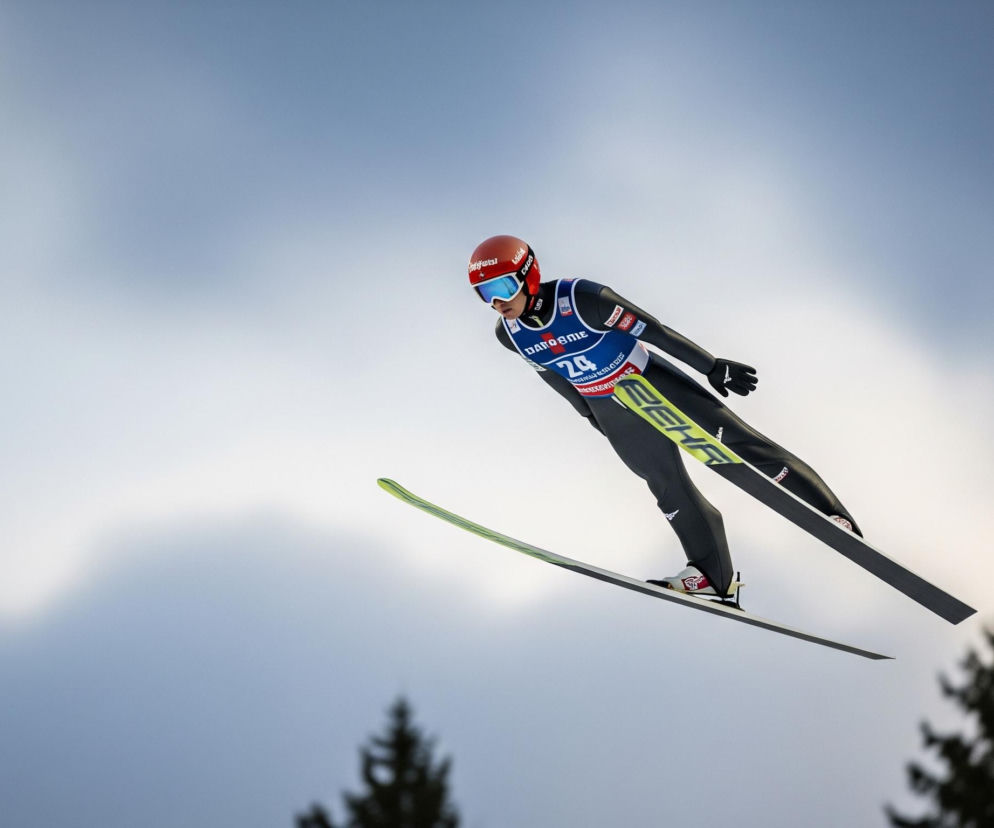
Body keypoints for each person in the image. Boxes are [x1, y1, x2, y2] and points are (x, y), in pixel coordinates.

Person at [467, 234, 860, 601]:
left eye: (502, 287)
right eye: (485, 293)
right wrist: (591, 417)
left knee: (740, 443)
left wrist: (710, 366)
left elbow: (655, 332)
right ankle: (712, 576)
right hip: (610, 407)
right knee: (666, 486)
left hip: (650, 381)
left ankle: (830, 515)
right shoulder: (510, 335)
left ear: (529, 275)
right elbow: (557, 378)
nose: (496, 301)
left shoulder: (583, 299)